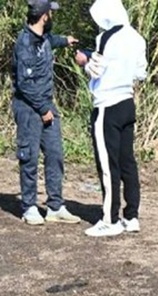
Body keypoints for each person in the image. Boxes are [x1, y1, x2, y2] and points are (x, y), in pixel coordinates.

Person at [74, 0, 147, 238]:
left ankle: (110, 219)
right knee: (128, 162)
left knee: (108, 165)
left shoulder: (106, 38)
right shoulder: (137, 38)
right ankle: (131, 215)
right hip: (127, 102)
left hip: (107, 105)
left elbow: (95, 70)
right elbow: (141, 72)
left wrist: (85, 62)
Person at [12, 0, 80, 226]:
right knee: (29, 157)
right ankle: (29, 206)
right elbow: (24, 83)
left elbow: (53, 40)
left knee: (55, 155)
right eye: (50, 12)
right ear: (44, 16)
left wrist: (67, 40)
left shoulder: (44, 39)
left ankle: (55, 206)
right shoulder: (25, 43)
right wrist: (42, 109)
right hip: (29, 108)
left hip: (46, 106)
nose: (52, 15)